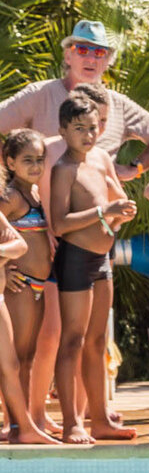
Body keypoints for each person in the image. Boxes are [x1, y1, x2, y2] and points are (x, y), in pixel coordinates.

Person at [48, 95, 137, 444]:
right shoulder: (63, 170)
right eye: (79, 129)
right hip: (75, 260)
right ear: (63, 131)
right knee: (72, 341)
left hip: (103, 258)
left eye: (93, 127)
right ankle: (72, 422)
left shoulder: (100, 157)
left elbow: (114, 195)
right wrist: (103, 213)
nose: (88, 135)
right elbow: (59, 223)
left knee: (98, 342)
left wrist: (120, 212)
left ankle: (100, 420)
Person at [0, 19, 149, 180]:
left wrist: (135, 168)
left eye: (99, 52)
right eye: (82, 50)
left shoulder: (119, 103)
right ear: (68, 56)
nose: (91, 59)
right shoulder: (40, 93)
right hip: (43, 207)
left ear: (108, 61)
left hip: (101, 207)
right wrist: (12, 167)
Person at [1, 130, 59, 437]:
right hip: (20, 284)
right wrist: (5, 269)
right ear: (10, 162)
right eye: (27, 161)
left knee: (28, 357)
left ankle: (22, 422)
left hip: (38, 282)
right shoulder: (10, 196)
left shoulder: (36, 193)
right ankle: (16, 424)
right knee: (17, 357)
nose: (35, 166)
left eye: (39, 160)